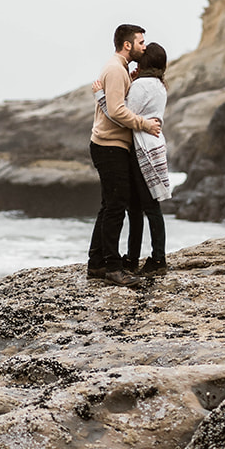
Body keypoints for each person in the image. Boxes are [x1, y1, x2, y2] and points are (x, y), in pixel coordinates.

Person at [87, 24, 161, 286]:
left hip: (109, 145)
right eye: (140, 42)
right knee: (116, 207)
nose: (144, 46)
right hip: (110, 146)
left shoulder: (120, 69)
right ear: (127, 45)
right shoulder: (117, 70)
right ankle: (113, 268)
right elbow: (118, 111)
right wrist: (145, 124)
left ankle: (96, 263)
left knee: (109, 205)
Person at [124, 42, 171, 273]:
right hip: (154, 145)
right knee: (147, 206)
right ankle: (146, 257)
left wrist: (102, 96)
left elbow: (122, 113)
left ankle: (153, 259)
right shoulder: (159, 85)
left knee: (140, 207)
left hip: (141, 148)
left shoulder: (142, 85)